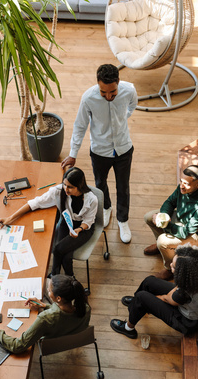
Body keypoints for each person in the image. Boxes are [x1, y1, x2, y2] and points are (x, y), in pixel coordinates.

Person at [61, 63, 138, 244]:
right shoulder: (88, 98)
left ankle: (123, 220)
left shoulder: (129, 90)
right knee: (100, 184)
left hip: (123, 148)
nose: (108, 96)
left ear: (118, 82)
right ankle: (106, 208)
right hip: (99, 151)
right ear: (98, 84)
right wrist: (73, 153)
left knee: (123, 186)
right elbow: (80, 126)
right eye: (104, 93)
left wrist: (122, 119)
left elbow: (133, 106)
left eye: (112, 92)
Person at [0, 167, 97, 277]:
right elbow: (36, 203)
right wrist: (10, 218)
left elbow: (89, 220)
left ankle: (57, 277)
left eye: (70, 187)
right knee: (65, 256)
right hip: (67, 223)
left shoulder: (92, 199)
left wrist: (79, 229)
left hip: (84, 228)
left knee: (58, 250)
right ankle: (65, 278)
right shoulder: (58, 191)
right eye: (64, 184)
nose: (65, 189)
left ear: (80, 186)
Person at [110, 244, 198, 339]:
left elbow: (167, 299)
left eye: (173, 266)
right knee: (149, 281)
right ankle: (136, 305)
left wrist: (150, 301)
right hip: (192, 306)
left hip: (188, 323)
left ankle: (128, 329)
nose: (170, 265)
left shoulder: (184, 292)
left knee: (142, 297)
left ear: (183, 273)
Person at [0, 275, 91, 353]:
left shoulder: (45, 319)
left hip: (53, 346)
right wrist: (44, 305)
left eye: (49, 291)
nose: (48, 292)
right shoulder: (85, 308)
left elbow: (18, 346)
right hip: (74, 339)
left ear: (58, 298)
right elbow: (64, 315)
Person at [143, 164, 198, 280]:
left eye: (186, 184)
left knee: (163, 241)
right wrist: (164, 216)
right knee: (149, 217)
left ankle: (170, 268)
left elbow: (186, 232)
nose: (181, 186)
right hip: (183, 220)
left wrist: (166, 224)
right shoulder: (183, 186)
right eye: (181, 181)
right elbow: (170, 202)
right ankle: (161, 247)